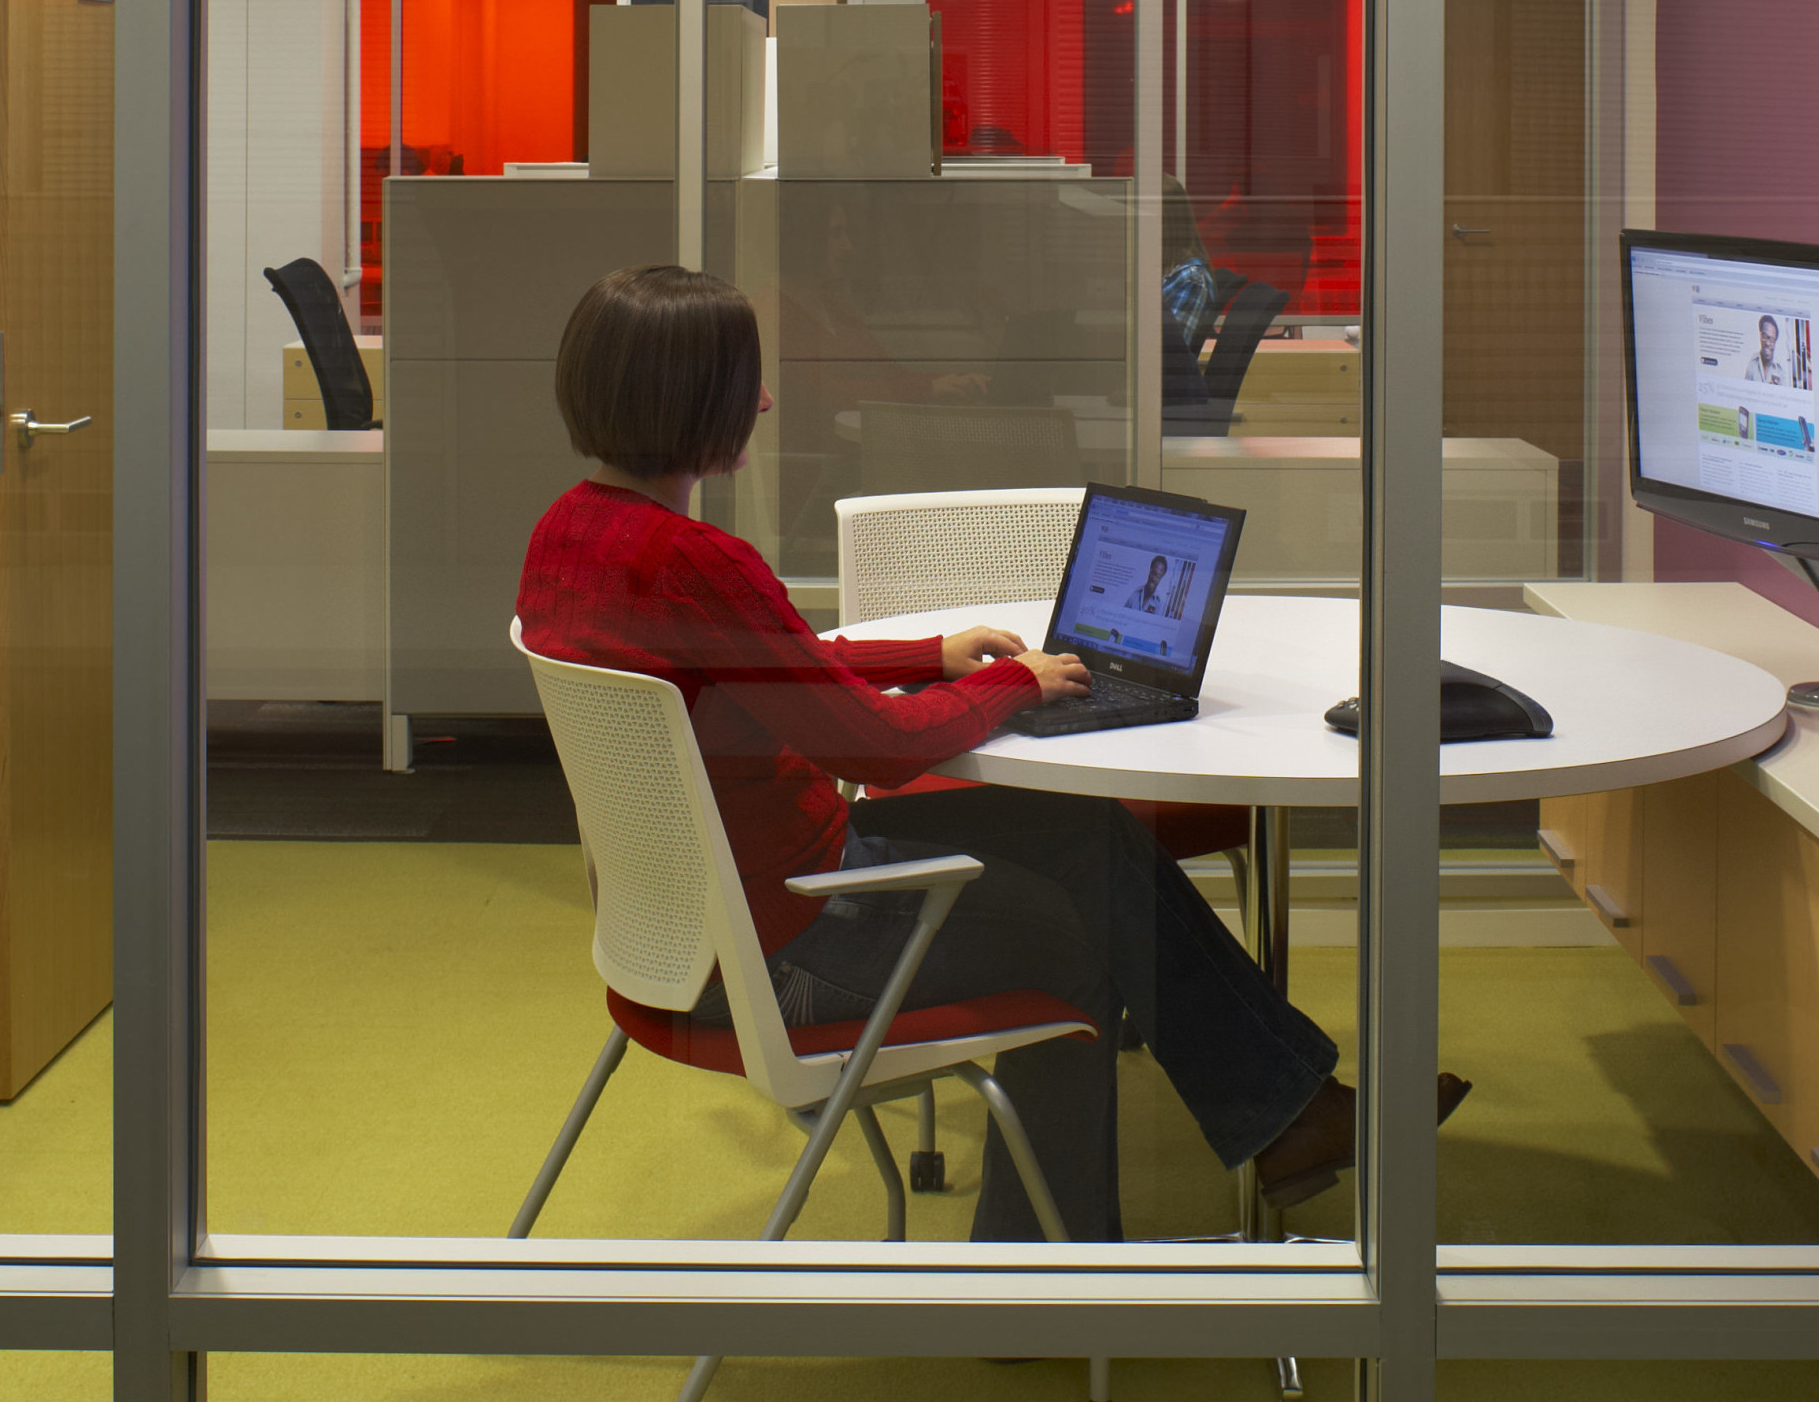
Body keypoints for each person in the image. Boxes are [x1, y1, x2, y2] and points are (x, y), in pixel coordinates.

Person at [515, 262, 1364, 1242]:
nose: (765, 398)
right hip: (786, 944)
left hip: (687, 927)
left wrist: (926, 652)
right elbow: (875, 745)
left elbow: (767, 662)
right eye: (747, 378)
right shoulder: (695, 560)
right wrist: (1013, 683)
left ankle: (1290, 1115)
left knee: (1088, 837)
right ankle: (1042, 1278)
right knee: (1076, 935)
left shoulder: (572, 533)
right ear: (697, 397)